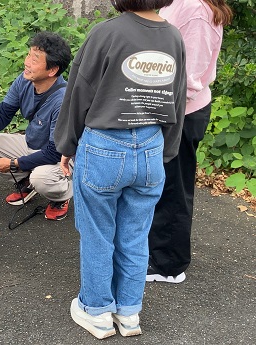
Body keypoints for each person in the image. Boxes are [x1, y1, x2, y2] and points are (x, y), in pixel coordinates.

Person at [54, 0, 186, 339]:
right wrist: (167, 150)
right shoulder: (173, 37)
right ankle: (129, 313)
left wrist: (67, 145)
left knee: (98, 233)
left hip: (104, 146)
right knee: (135, 234)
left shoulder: (107, 32)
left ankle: (96, 311)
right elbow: (177, 97)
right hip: (151, 147)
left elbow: (78, 93)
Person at [147, 0, 233, 284]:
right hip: (174, 109)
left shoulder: (195, 9)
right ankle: (158, 252)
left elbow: (190, 78)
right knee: (165, 183)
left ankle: (169, 264)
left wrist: (158, 114)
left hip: (180, 112)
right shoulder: (184, 3)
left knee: (174, 186)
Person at [0, 31, 73, 221]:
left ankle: (62, 195)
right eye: (28, 55)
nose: (27, 62)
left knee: (42, 178)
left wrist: (14, 164)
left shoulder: (63, 100)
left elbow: (54, 152)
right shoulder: (25, 79)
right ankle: (26, 180)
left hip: (61, 159)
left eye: (35, 59)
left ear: (52, 70)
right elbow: (4, 113)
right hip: (31, 144)